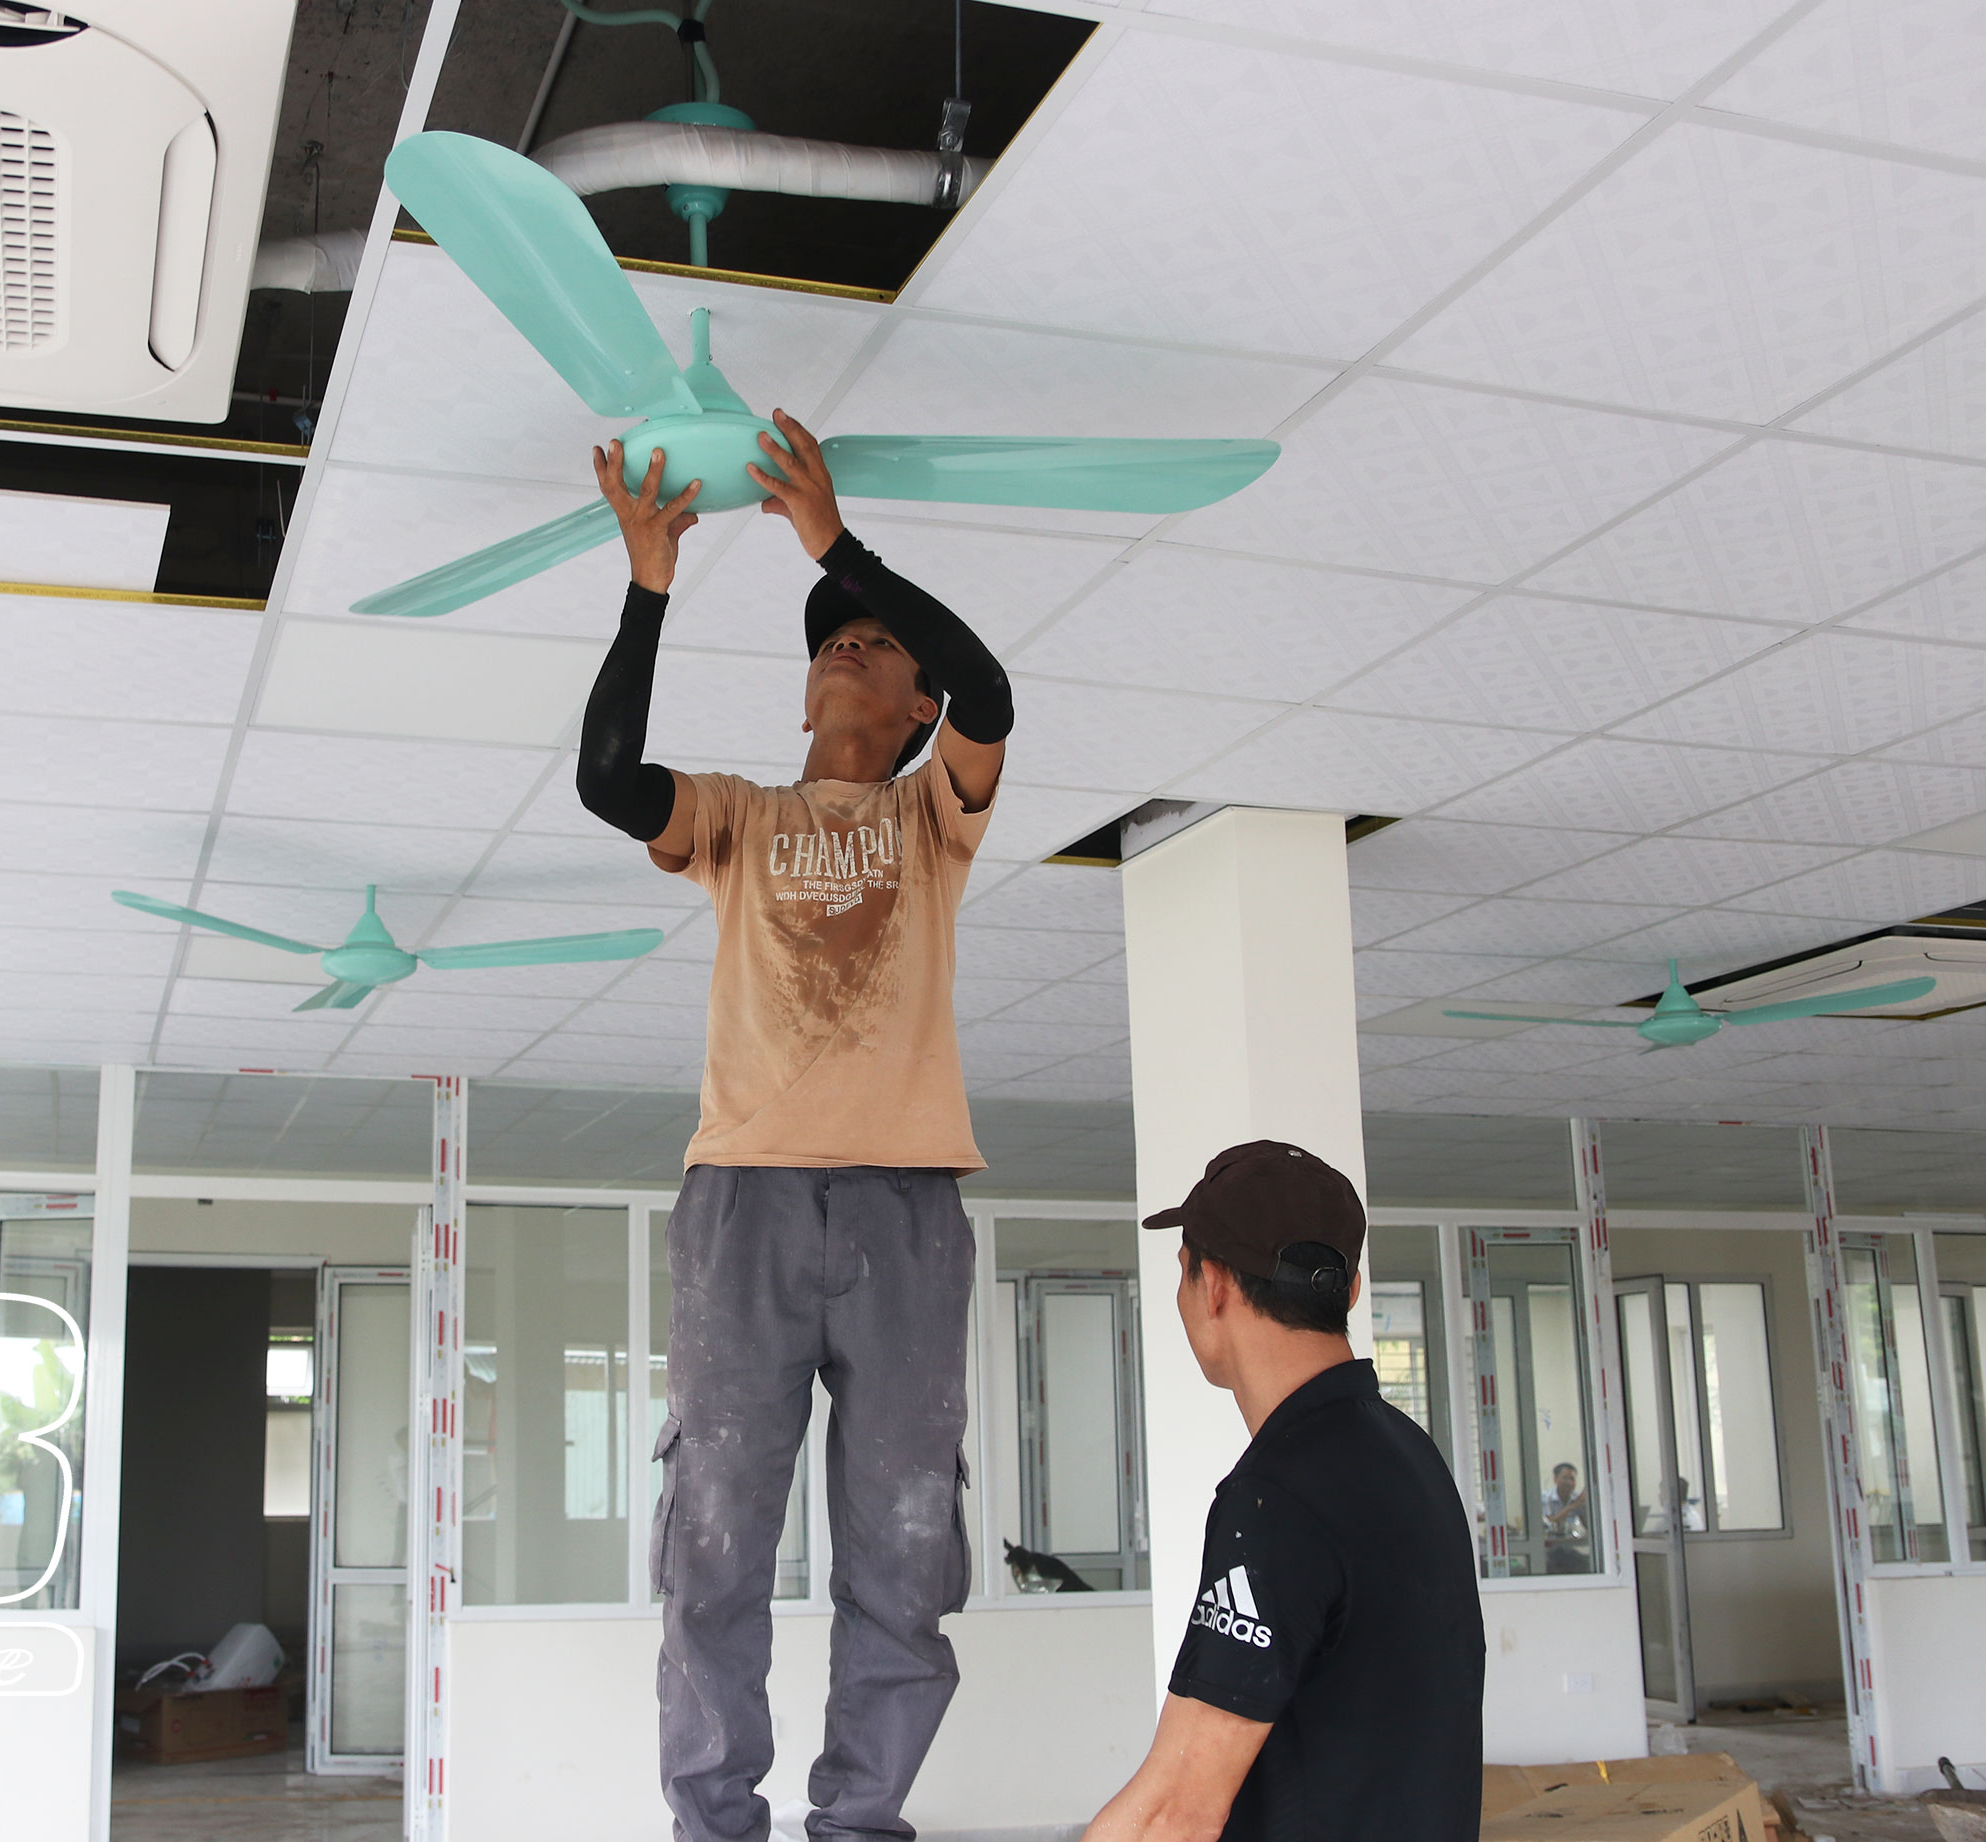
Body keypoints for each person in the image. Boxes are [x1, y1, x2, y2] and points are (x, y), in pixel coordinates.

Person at [575, 409, 1013, 1842]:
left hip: (905, 1214)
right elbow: (606, 778)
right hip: (745, 1208)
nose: (848, 648)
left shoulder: (934, 820)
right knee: (715, 1540)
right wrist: (649, 586)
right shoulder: (741, 819)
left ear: (918, 710)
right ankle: (715, 1822)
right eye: (834, 638)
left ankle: (859, 1823)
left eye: (878, 646)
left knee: (905, 1546)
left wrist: (834, 545)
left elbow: (995, 688)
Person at [1086, 1142, 1484, 1842]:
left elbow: (1176, 1811)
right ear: (1350, 1290)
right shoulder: (1407, 1453)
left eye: (1183, 1271)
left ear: (1212, 1285)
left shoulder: (1277, 1498)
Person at [1543, 1461, 1592, 1575]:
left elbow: (1589, 1527)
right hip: (1549, 1551)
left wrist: (1585, 1506)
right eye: (1565, 1478)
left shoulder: (1576, 1498)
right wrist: (1571, 1507)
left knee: (1588, 1564)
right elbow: (1549, 1524)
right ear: (1555, 1479)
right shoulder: (1546, 1498)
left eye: (1572, 1479)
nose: (1569, 1483)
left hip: (1570, 1548)